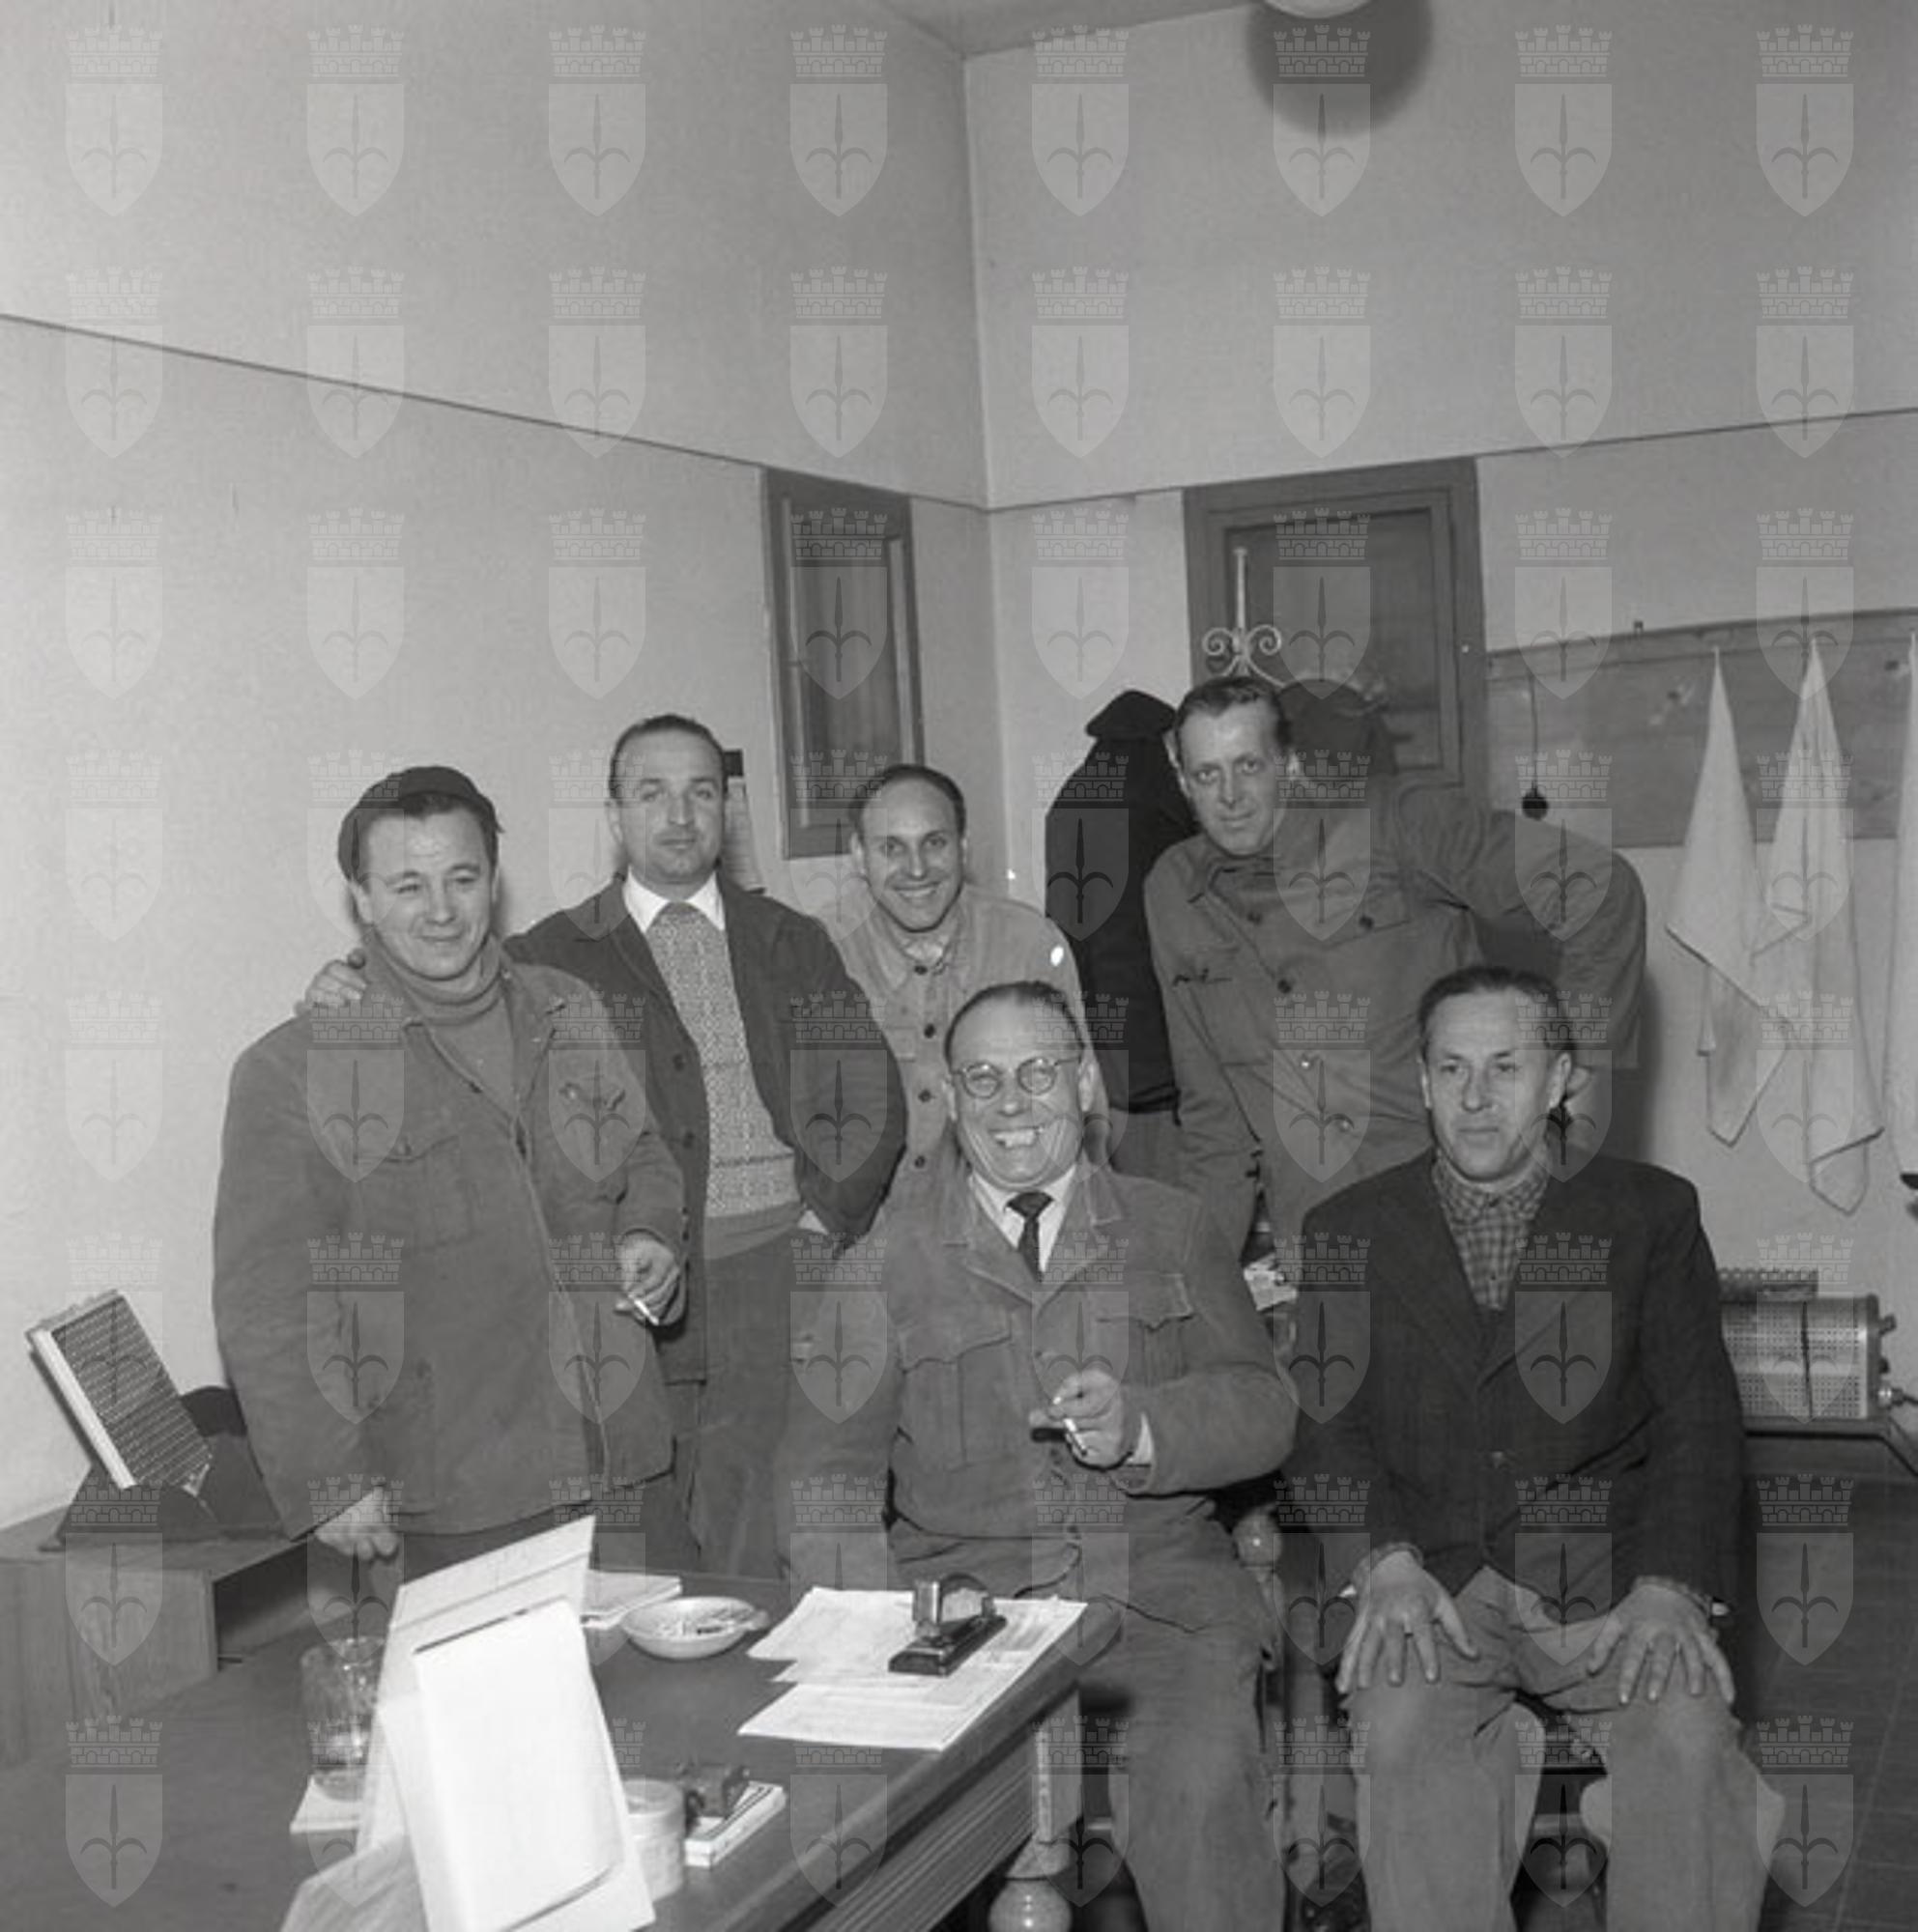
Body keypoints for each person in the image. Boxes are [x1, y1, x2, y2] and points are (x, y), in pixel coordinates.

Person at [300, 719, 904, 1577]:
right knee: (641, 1538)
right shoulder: (552, 958)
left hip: (774, 1266)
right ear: (615, 816)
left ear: (726, 811)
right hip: (621, 1293)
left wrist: (820, 1222)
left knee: (756, 1524)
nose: (679, 816)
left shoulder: (791, 941)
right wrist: (346, 978)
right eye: (651, 793)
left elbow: (866, 1093)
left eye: (701, 792)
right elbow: (438, 971)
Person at [776, 980, 1296, 1932]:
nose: (1010, 1102)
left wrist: (1143, 1425)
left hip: (1158, 1606)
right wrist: (886, 1627)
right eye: (981, 1078)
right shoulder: (882, 1261)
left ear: (1084, 1084)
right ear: (949, 1097)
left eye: (1038, 1072)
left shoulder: (1173, 1226)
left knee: (1200, 1792)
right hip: (967, 1621)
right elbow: (821, 1480)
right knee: (880, 1855)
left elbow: (1263, 1410)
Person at [1288, 964, 1772, 1931]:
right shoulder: (1348, 1229)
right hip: (1430, 1576)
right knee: (1399, 1736)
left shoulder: (1647, 1215)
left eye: (1505, 1067)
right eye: (1451, 1068)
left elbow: (1697, 1418)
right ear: (1421, 1080)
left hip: (1610, 1575)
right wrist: (1381, 1561)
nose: (1474, 1096)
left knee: (1685, 1739)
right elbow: (1326, 1428)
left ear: (1557, 1081)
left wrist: (1670, 1585)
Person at [215, 766, 694, 1573]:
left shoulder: (568, 1009)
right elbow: (268, 1305)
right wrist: (330, 1479)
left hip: (622, 1454)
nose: (440, 910)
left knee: (679, 1655)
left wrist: (651, 1233)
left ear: (493, 883)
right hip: (460, 1490)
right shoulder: (294, 1070)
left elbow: (643, 1155)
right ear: (362, 899)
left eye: (461, 879)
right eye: (407, 886)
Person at [1145, 674, 1646, 1254]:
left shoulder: (1398, 824)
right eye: (1207, 774)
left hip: (1461, 1224)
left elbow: (1599, 892)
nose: (1230, 796)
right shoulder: (1173, 894)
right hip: (1320, 1241)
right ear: (1182, 780)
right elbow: (1214, 1126)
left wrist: (1573, 1057)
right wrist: (1193, 1283)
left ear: (1288, 762)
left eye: (1249, 766)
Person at [827, 762, 1102, 1179]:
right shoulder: (820, 952)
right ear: (859, 856)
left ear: (963, 848)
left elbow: (1080, 1105)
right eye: (892, 848)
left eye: (935, 843)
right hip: (868, 1214)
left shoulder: (1028, 943)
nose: (917, 869)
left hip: (995, 1204)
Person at [1044, 690, 1196, 1184]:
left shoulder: (1075, 794)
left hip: (1098, 1044)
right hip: (1154, 1055)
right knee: (1170, 1197)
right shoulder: (1152, 804)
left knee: (1120, 1191)